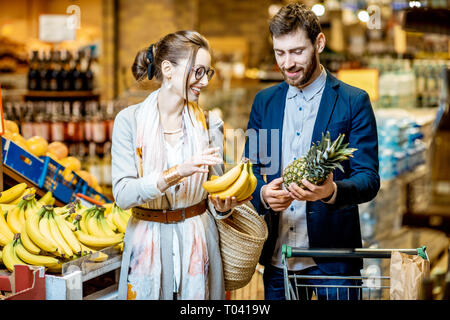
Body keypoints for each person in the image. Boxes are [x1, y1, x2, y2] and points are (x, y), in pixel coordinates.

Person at [244, 3, 380, 300]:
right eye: (280, 53)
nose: (287, 63)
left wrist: (331, 191)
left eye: (297, 52)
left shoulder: (352, 101)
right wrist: (264, 195)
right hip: (279, 262)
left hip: (333, 262)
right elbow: (251, 169)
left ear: (319, 43)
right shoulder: (264, 102)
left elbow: (368, 179)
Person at [111, 30, 248, 300]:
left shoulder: (211, 124)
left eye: (207, 72)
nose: (204, 82)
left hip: (200, 244)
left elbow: (214, 194)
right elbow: (123, 195)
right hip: (146, 243)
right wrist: (178, 172)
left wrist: (223, 207)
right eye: (197, 71)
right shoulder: (129, 121)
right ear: (167, 69)